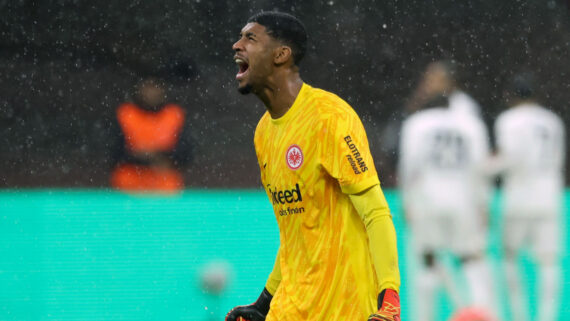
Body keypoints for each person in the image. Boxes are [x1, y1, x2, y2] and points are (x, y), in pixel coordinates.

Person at [226, 11, 401, 321]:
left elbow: (375, 213)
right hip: (289, 309)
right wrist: (263, 303)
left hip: (343, 309)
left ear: (281, 55)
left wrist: (389, 298)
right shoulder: (263, 133)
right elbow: (297, 233)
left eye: (250, 38)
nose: (236, 45)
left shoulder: (328, 117)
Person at [398, 85, 497, 320]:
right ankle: (480, 313)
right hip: (462, 200)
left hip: (427, 200)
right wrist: (483, 205)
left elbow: (409, 166)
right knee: (470, 259)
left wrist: (407, 201)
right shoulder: (471, 125)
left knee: (428, 261)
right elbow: (480, 169)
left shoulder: (416, 123)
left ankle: (425, 316)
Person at [491, 72, 565, 321]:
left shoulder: (510, 120)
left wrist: (484, 167)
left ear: (511, 96)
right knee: (549, 261)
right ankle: (548, 317)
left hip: (519, 196)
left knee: (509, 256)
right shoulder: (553, 121)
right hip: (549, 195)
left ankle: (519, 316)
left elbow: (510, 158)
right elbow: (557, 160)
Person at [110, 77, 193, 192]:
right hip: (129, 187)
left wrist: (161, 157)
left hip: (166, 187)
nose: (151, 92)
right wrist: (143, 158)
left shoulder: (174, 115)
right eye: (147, 87)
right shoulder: (126, 114)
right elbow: (114, 153)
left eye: (155, 87)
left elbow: (185, 153)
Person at [404, 60, 481, 117]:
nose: (429, 84)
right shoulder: (423, 100)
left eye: (434, 80)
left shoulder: (464, 104)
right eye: (428, 79)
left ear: (449, 82)